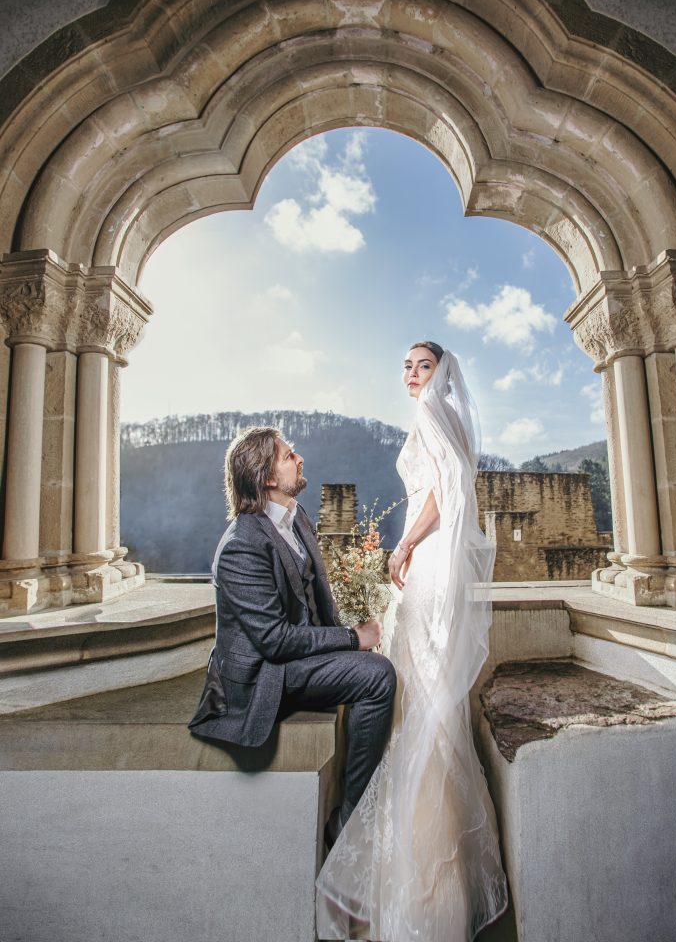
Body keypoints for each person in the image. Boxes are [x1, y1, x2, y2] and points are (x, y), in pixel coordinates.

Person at [316, 343, 508, 942]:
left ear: (440, 373)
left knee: (419, 696)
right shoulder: (445, 415)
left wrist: (403, 546)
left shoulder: (431, 413)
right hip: (430, 567)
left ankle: (423, 885)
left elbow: (443, 491)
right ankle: (437, 881)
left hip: (425, 563)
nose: (411, 374)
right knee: (425, 699)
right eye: (405, 365)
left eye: (422, 365)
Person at [188, 426, 397, 843]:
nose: (300, 459)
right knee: (377, 676)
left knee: (376, 662)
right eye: (289, 456)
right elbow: (274, 641)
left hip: (296, 658)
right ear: (267, 477)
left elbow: (316, 596)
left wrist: (344, 632)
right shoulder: (241, 544)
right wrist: (353, 640)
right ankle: (351, 824)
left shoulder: (294, 516)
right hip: (265, 675)